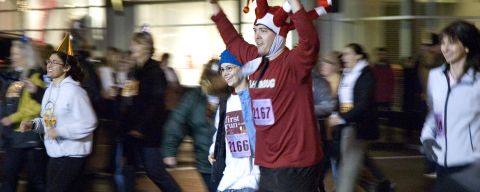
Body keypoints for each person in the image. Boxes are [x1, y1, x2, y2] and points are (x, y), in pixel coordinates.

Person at [207, 0, 329, 190]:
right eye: (255, 30)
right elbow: (231, 38)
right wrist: (214, 4)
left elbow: (310, 41)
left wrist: (295, 4)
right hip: (267, 162)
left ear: (279, 34)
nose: (257, 37)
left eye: (263, 31)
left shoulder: (293, 63)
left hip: (296, 163)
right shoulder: (254, 60)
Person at [20, 34, 97, 192]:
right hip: (55, 154)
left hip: (73, 155)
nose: (49, 65)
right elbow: (47, 120)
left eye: (55, 62)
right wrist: (33, 124)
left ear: (66, 67)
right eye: (49, 61)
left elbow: (89, 123)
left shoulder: (75, 91)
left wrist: (60, 131)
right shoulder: (49, 91)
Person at [421, 20, 480, 192]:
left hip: (471, 165)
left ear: (467, 47)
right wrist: (427, 137)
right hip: (443, 164)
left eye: (452, 43)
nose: (445, 48)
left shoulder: (477, 83)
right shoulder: (435, 77)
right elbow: (434, 114)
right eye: (443, 42)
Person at [124, 31, 181, 191]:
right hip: (132, 129)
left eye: (135, 44)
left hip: (149, 131)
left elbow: (155, 103)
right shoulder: (134, 70)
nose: (131, 47)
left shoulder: (154, 71)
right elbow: (128, 98)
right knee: (129, 169)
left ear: (145, 47)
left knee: (154, 170)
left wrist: (140, 127)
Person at [329, 43, 390, 192]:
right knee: (351, 163)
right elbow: (342, 100)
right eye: (343, 54)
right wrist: (336, 114)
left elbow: (363, 103)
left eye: (348, 53)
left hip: (359, 126)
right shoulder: (347, 74)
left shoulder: (366, 75)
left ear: (358, 55)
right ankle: (380, 184)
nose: (344, 57)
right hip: (346, 125)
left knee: (349, 166)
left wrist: (342, 118)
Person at [161, 58, 229, 192]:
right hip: (207, 164)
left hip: (232, 163)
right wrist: (170, 151)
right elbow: (176, 122)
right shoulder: (194, 97)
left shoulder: (234, 96)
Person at [207, 50, 260, 192]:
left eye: (229, 68)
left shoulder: (256, 98)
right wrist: (214, 150)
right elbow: (220, 131)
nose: (225, 73)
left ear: (243, 68)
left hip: (251, 179)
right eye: (222, 69)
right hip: (230, 178)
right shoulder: (225, 102)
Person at [0, 37, 47, 192]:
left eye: (16, 54)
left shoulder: (35, 76)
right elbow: (6, 102)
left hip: (28, 135)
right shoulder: (12, 75)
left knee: (35, 179)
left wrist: (11, 118)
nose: (12, 57)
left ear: (26, 56)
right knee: (9, 175)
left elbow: (34, 107)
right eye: (12, 53)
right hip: (12, 135)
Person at [314, 52, 341, 192]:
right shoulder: (323, 81)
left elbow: (331, 107)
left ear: (335, 66)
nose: (323, 65)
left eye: (327, 63)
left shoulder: (335, 82)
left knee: (327, 168)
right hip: (327, 133)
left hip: (334, 132)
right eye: (322, 62)